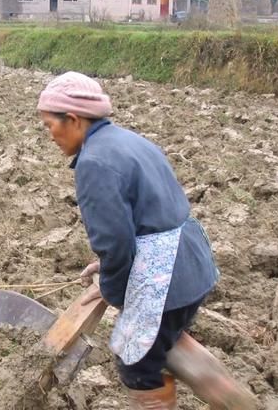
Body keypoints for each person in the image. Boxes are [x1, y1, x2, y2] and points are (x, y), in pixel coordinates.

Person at [37, 71, 256, 409]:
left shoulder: (94, 163)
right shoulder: (128, 141)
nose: (48, 134)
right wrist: (110, 269)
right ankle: (239, 402)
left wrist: (111, 286)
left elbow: (115, 243)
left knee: (136, 361)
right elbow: (152, 215)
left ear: (74, 119)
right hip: (191, 263)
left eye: (50, 124)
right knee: (164, 344)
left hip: (164, 275)